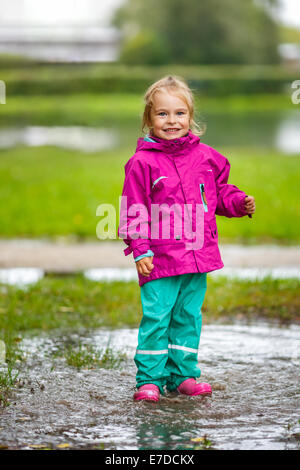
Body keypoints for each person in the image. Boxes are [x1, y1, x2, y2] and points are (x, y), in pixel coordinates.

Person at [118, 75, 255, 402]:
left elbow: (219, 193)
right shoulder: (142, 163)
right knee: (157, 318)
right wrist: (140, 251)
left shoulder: (206, 157)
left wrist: (237, 202)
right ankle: (149, 380)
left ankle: (183, 376)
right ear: (148, 119)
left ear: (191, 118)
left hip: (197, 255)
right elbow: (133, 209)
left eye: (179, 113)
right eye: (162, 114)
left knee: (188, 317)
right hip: (159, 260)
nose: (171, 121)